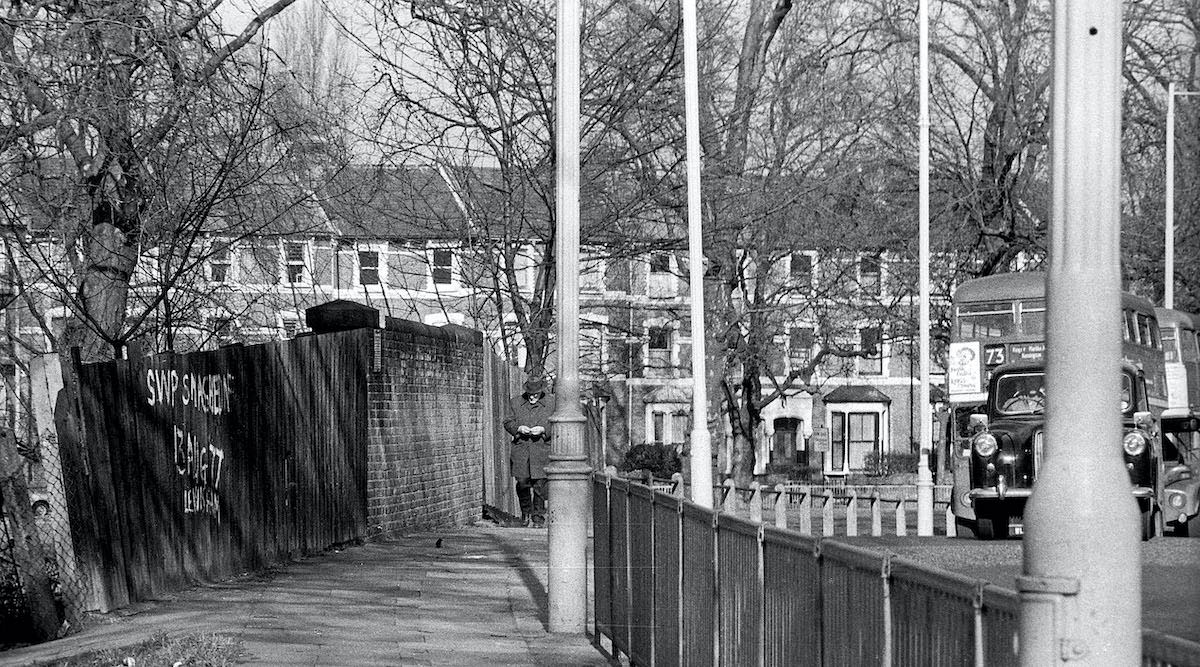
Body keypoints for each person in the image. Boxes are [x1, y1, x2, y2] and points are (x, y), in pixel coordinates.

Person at [504, 375, 555, 527]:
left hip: (541, 449)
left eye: (536, 394)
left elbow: (557, 423)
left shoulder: (551, 403)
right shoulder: (516, 402)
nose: (533, 397)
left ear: (541, 391)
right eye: (530, 394)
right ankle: (525, 513)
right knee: (522, 482)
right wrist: (518, 429)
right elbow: (507, 421)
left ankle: (538, 518)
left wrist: (544, 430)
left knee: (540, 484)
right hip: (521, 449)